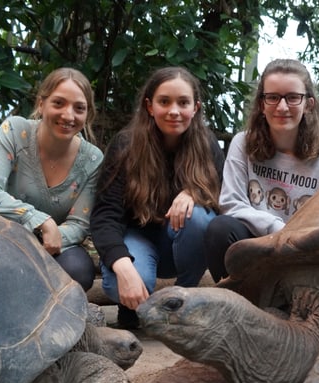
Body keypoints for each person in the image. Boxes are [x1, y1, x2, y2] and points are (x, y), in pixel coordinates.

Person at [90, 66, 224, 328]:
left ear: (195, 108)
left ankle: (182, 302)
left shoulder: (207, 145)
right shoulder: (126, 145)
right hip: (137, 237)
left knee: (199, 217)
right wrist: (124, 267)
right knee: (122, 282)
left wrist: (193, 193)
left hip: (181, 244)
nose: (174, 110)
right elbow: (105, 215)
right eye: (165, 102)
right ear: (150, 106)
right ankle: (130, 309)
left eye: (183, 102)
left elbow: (222, 198)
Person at [205, 58, 319, 282]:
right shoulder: (242, 144)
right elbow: (231, 204)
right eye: (273, 97)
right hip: (253, 244)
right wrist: (276, 228)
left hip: (297, 253)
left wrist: (293, 241)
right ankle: (235, 298)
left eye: (293, 97)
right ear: (261, 104)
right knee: (219, 229)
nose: (282, 107)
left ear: (309, 104)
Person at [0, 67, 103, 292]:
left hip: (52, 248)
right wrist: (40, 221)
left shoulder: (93, 159)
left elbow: (79, 225)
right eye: (58, 103)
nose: (68, 115)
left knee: (78, 269)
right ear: (41, 104)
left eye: (79, 108)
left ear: (88, 114)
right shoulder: (14, 130)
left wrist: (45, 241)